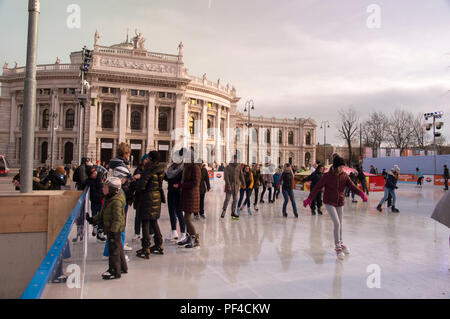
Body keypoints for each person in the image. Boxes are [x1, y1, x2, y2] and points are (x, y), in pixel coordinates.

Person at [304, 155, 368, 260]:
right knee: (337, 223)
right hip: (329, 201)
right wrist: (309, 199)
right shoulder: (327, 176)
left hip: (340, 202)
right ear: (336, 166)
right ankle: (337, 246)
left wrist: (361, 194)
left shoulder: (344, 176)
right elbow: (317, 187)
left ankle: (340, 242)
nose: (342, 169)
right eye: (340, 167)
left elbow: (352, 186)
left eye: (343, 167)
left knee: (340, 223)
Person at [86, 177, 127, 280]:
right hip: (112, 229)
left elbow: (118, 218)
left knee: (113, 251)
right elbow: (102, 214)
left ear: (112, 189)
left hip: (114, 230)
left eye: (105, 187)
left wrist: (113, 231)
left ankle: (114, 271)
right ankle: (123, 267)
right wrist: (92, 219)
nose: (103, 188)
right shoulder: (109, 199)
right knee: (118, 248)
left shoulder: (116, 201)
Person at [136, 151, 166, 258]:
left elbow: (142, 186)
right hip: (157, 196)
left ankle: (145, 248)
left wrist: (137, 181)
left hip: (147, 197)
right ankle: (158, 244)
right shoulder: (160, 169)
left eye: (148, 157)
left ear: (151, 159)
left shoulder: (149, 169)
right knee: (153, 221)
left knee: (145, 222)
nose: (146, 159)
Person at [178, 148, 201, 248]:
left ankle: (195, 239)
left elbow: (195, 183)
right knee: (185, 217)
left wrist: (182, 185)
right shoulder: (186, 167)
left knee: (187, 218)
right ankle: (189, 237)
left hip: (192, 195)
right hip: (187, 194)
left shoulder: (195, 167)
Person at [164, 151, 186, 242]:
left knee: (179, 212)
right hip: (171, 191)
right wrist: (163, 174)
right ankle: (173, 231)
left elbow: (183, 180)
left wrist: (179, 185)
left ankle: (183, 233)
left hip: (178, 192)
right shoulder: (171, 167)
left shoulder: (182, 168)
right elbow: (168, 178)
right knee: (171, 211)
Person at [131, 154, 149, 242]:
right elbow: (133, 181)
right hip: (139, 195)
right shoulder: (137, 169)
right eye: (145, 159)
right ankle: (137, 232)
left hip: (147, 195)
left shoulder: (149, 169)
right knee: (138, 215)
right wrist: (135, 178)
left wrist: (141, 176)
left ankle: (150, 232)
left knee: (148, 215)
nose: (147, 161)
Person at [85, 166, 106, 241]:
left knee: (101, 216)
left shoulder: (99, 177)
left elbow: (101, 187)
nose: (95, 174)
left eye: (95, 173)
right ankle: (95, 226)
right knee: (94, 213)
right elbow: (84, 184)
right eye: (93, 174)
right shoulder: (90, 181)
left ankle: (100, 231)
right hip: (94, 200)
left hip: (100, 200)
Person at [221, 155, 244, 220]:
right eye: (235, 159)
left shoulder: (239, 167)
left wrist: (243, 183)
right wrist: (228, 185)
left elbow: (241, 175)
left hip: (236, 186)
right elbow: (226, 177)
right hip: (230, 186)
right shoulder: (228, 167)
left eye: (236, 159)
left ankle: (233, 212)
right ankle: (224, 211)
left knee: (235, 200)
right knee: (227, 199)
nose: (236, 160)